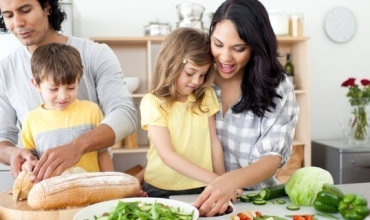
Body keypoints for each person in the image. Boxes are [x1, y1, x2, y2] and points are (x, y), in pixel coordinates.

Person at [0, 0, 136, 182]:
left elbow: (125, 115)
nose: (17, 23)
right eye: (8, 15)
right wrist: (12, 153)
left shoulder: (96, 54)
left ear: (47, 6)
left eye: (25, 10)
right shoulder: (5, 70)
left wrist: (77, 146)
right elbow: (3, 137)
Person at [193, 0, 299, 217]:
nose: (225, 57)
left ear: (256, 45)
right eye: (218, 44)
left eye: (238, 48)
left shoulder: (277, 87)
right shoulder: (197, 79)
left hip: (257, 202)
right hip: (197, 198)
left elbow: (271, 158)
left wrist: (229, 181)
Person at [140, 27, 225, 198]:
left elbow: (214, 142)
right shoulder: (153, 101)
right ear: (171, 64)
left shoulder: (205, 95)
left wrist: (223, 180)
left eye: (202, 75)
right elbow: (167, 155)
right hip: (161, 188)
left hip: (202, 186)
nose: (196, 81)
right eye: (190, 73)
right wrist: (215, 179)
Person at [21, 43, 113, 173]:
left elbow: (103, 153)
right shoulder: (31, 119)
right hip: (52, 190)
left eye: (71, 88)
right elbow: (30, 160)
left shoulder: (92, 111)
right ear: (36, 85)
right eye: (53, 89)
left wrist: (111, 185)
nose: (63, 96)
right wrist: (26, 165)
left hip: (91, 189)